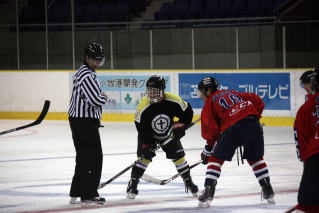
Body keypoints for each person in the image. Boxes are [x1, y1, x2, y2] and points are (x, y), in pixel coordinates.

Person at [196, 77, 275, 208]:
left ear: (208, 91)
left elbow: (211, 132)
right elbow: (258, 101)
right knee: (256, 159)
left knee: (215, 159)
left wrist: (207, 151)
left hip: (234, 128)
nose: (200, 96)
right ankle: (268, 189)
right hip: (253, 123)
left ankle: (209, 191)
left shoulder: (210, 102)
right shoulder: (233, 93)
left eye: (201, 92)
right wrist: (254, 117)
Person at [126, 75, 198, 199]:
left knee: (179, 157)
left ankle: (188, 181)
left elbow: (187, 113)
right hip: (148, 135)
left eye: (154, 92)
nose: (151, 95)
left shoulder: (173, 100)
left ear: (162, 90)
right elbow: (141, 127)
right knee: (144, 158)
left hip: (169, 133)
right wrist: (149, 143)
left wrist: (180, 127)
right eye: (149, 92)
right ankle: (133, 182)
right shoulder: (144, 106)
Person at [68, 42, 108, 205]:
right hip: (84, 122)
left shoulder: (85, 72)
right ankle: (89, 194)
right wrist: (103, 97)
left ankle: (76, 192)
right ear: (87, 58)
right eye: (94, 59)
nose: (97, 63)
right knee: (94, 157)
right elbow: (94, 100)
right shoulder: (86, 75)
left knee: (84, 157)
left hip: (81, 121)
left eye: (99, 60)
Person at [292, 68, 319, 213]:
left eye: (306, 85)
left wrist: (307, 162)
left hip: (315, 155)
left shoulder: (306, 108)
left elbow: (301, 136)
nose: (305, 89)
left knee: (307, 205)